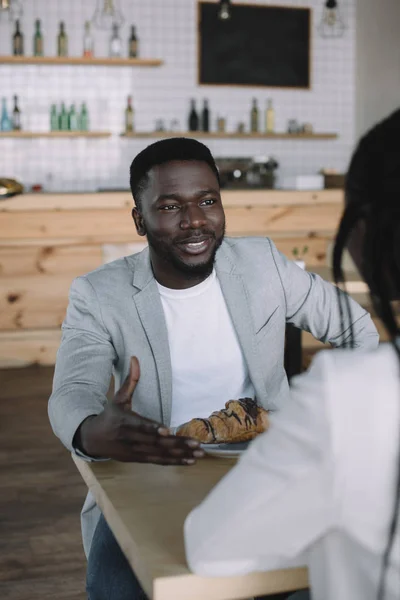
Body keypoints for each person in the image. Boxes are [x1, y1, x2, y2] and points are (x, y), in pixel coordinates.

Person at [48, 137, 378, 600]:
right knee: (116, 586)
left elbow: (355, 330)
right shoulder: (100, 294)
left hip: (268, 470)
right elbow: (71, 391)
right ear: (139, 219)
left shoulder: (263, 263)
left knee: (317, 582)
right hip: (152, 473)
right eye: (170, 206)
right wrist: (90, 431)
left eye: (208, 201)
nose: (195, 221)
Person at [184, 114, 400, 600]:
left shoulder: (350, 396)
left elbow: (213, 549)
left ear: (362, 234)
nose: (193, 220)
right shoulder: (103, 291)